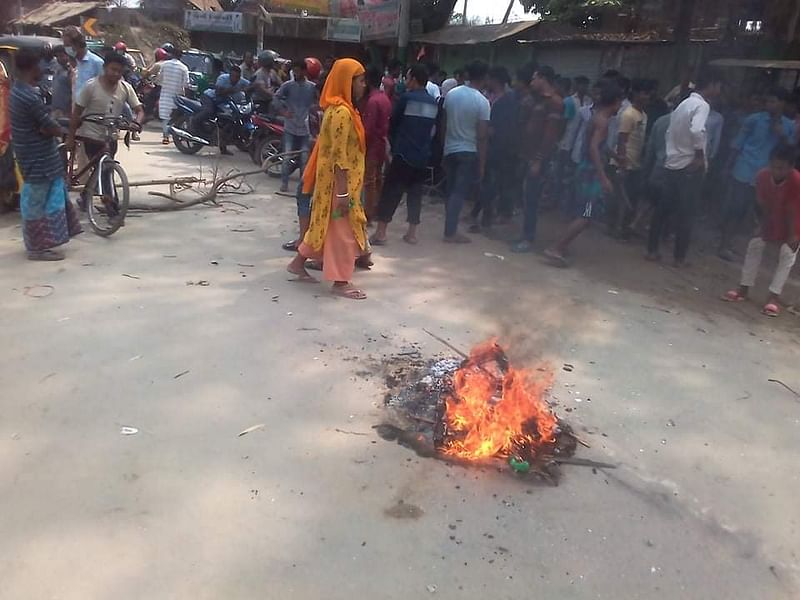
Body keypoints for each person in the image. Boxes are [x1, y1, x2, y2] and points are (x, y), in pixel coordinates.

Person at [286, 58, 369, 299]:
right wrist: (343, 193)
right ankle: (341, 282)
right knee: (343, 231)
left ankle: (298, 263)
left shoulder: (341, 109)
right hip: (338, 186)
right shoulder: (341, 113)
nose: (364, 85)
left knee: (324, 224)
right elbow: (338, 156)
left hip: (337, 184)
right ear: (347, 82)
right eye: (360, 81)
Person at [10, 49, 82, 260]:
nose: (45, 69)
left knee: (45, 199)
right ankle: (36, 248)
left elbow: (44, 124)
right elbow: (48, 125)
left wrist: (52, 126)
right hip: (37, 159)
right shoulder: (28, 96)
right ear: (33, 68)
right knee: (36, 204)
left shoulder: (19, 90)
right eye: (41, 65)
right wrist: (61, 130)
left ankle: (44, 243)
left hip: (36, 157)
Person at [646, 72, 723, 266]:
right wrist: (698, 155)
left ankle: (652, 250)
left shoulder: (683, 105)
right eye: (719, 86)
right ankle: (679, 258)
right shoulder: (702, 105)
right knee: (686, 214)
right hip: (689, 166)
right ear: (712, 85)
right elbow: (697, 130)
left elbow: (672, 132)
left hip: (674, 162)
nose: (720, 90)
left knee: (663, 209)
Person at [543, 80, 623, 266]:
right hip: (591, 173)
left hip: (585, 168)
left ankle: (561, 245)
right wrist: (603, 177)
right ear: (615, 101)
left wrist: (614, 156)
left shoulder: (596, 117)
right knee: (586, 215)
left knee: (581, 212)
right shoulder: (602, 122)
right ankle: (557, 247)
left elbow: (598, 146)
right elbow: (595, 148)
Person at [718, 87, 796, 261]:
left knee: (760, 213)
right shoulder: (753, 120)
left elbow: (789, 152)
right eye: (768, 101)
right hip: (745, 170)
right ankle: (724, 245)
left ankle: (745, 247)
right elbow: (738, 144)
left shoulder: (789, 126)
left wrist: (781, 135)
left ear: (782, 103)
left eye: (773, 101)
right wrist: (728, 166)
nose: (769, 104)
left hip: (769, 177)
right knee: (737, 209)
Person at [723, 144, 800, 317]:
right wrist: (763, 226)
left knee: (788, 254)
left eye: (780, 168)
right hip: (773, 216)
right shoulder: (762, 176)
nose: (776, 171)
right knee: (755, 244)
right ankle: (744, 288)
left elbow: (792, 210)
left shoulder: (796, 181)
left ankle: (773, 296)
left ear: (790, 167)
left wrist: (793, 235)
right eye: (773, 166)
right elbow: (762, 203)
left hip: (794, 219)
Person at [371, 64, 439, 245]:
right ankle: (412, 234)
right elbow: (433, 129)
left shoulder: (406, 99)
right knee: (415, 193)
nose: (406, 81)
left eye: (408, 78)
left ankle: (381, 233)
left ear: (414, 80)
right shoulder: (433, 102)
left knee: (391, 191)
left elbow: (393, 123)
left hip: (403, 154)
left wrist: (391, 146)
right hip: (423, 155)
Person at [67, 53, 144, 210]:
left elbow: (139, 110)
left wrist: (136, 122)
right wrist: (70, 136)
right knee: (105, 170)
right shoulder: (91, 86)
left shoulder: (125, 88)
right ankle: (112, 208)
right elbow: (77, 112)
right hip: (91, 136)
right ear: (104, 68)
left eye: (119, 71)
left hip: (111, 136)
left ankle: (84, 197)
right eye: (113, 69)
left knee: (103, 168)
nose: (115, 74)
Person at [511, 65, 564, 253]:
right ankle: (525, 234)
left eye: (534, 78)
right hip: (528, 155)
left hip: (537, 158)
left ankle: (528, 237)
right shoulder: (537, 101)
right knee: (526, 198)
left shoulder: (554, 102)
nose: (532, 82)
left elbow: (550, 135)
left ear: (543, 78)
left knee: (531, 198)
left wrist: (538, 159)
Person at [441, 60, 490, 243]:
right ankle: (451, 232)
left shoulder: (452, 94)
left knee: (450, 190)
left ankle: (450, 226)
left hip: (450, 149)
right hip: (468, 151)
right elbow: (482, 136)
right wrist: (482, 164)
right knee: (459, 192)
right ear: (484, 77)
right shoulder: (482, 102)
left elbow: (443, 123)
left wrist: (443, 147)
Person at [470, 65, 517, 231]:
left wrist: (482, 132)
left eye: (489, 78)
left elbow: (498, 128)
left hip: (497, 148)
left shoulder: (506, 101)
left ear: (495, 80)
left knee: (490, 183)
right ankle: (478, 214)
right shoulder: (492, 97)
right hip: (490, 146)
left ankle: (486, 218)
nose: (486, 81)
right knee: (486, 182)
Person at [611, 78, 655, 239]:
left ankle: (621, 227)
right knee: (622, 199)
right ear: (636, 93)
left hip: (635, 163)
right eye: (644, 93)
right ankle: (616, 228)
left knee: (630, 198)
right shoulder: (628, 114)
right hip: (625, 162)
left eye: (649, 94)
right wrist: (622, 164)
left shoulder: (643, 115)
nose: (647, 97)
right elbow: (622, 140)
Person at [274, 58, 318, 194]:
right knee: (287, 157)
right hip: (290, 127)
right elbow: (276, 98)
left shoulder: (312, 87)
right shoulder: (288, 85)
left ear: (304, 71)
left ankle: (303, 186)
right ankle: (284, 183)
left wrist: (313, 111)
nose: (296, 74)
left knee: (304, 159)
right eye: (294, 71)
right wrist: (283, 111)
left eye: (298, 71)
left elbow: (317, 101)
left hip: (305, 129)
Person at [194, 65, 251, 155]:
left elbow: (250, 85)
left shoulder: (241, 81)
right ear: (229, 75)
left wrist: (250, 88)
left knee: (226, 120)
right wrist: (233, 89)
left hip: (224, 102)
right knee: (209, 111)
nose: (235, 79)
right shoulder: (222, 78)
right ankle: (194, 122)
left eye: (237, 77)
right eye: (233, 76)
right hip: (210, 97)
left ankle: (223, 147)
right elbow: (218, 92)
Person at [360, 65, 392, 220]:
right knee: (377, 178)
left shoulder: (373, 101)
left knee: (369, 180)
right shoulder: (384, 98)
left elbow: (368, 129)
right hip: (381, 144)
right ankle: (377, 208)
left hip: (372, 145)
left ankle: (368, 212)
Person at [156, 46, 189, 144]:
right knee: (176, 117)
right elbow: (186, 84)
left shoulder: (164, 65)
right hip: (177, 97)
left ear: (172, 54)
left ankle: (165, 137)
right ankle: (175, 135)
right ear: (181, 57)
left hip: (165, 95)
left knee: (165, 117)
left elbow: (159, 79)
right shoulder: (184, 68)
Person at [61, 26, 104, 98]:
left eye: (68, 45)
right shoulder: (74, 64)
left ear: (77, 44)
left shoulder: (97, 63)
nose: (66, 48)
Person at [50, 45, 73, 118]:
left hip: (66, 111)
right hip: (55, 108)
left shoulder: (71, 71)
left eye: (62, 56)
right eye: (57, 56)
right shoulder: (57, 68)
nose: (59, 59)